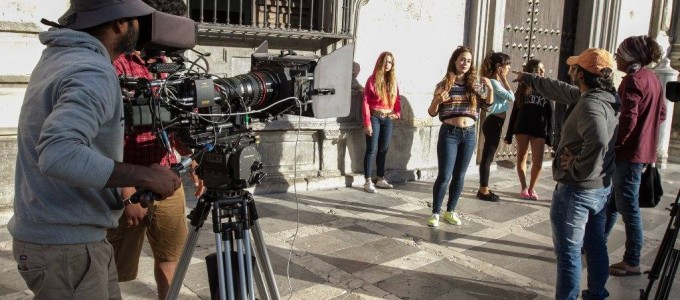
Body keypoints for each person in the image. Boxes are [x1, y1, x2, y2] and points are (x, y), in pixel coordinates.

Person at [8, 1, 183, 299]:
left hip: (64, 240)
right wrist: (145, 177)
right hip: (66, 247)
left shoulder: (60, 56)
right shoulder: (92, 69)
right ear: (120, 23)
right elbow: (60, 154)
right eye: (137, 20)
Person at [105, 1, 204, 299]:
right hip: (127, 182)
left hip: (168, 177)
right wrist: (126, 193)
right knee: (111, 268)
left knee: (171, 256)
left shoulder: (173, 66)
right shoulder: (116, 63)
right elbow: (104, 135)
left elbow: (178, 119)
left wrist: (196, 162)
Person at [513, 48, 619, 300]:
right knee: (595, 245)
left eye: (574, 68)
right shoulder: (603, 96)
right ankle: (596, 293)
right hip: (600, 188)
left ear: (582, 74)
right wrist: (531, 78)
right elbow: (560, 90)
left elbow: (599, 140)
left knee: (569, 254)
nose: (570, 70)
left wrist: (577, 168)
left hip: (577, 191)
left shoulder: (590, 105)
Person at [604, 35, 666, 277]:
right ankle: (595, 243)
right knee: (613, 202)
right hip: (641, 151)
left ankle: (632, 260)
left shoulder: (633, 80)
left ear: (630, 57)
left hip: (629, 154)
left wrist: (618, 143)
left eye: (619, 53)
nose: (616, 57)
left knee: (628, 206)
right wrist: (646, 134)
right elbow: (660, 114)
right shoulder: (652, 79)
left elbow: (628, 118)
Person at [427, 46, 494, 227]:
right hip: (449, 134)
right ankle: (435, 213)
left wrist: (490, 89)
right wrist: (437, 101)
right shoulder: (444, 85)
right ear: (455, 61)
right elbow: (432, 112)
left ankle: (451, 211)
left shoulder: (475, 85)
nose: (465, 63)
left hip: (469, 134)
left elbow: (487, 105)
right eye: (462, 59)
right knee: (445, 175)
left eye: (469, 61)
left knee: (460, 175)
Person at [504, 59, 553, 200]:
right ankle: (524, 187)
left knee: (538, 162)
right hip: (523, 126)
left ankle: (532, 188)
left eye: (543, 69)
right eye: (539, 69)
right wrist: (509, 134)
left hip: (539, 128)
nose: (543, 71)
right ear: (532, 71)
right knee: (521, 158)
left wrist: (550, 135)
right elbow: (515, 111)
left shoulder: (547, 87)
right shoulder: (523, 86)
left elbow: (551, 113)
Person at [476, 51, 514, 202]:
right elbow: (511, 97)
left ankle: (484, 187)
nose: (509, 68)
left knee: (488, 156)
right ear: (500, 67)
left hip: (495, 123)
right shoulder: (495, 83)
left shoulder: (494, 82)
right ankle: (483, 189)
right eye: (507, 65)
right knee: (487, 157)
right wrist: (505, 79)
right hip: (493, 123)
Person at [361, 51, 401, 193]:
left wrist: (397, 113)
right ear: (379, 62)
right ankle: (367, 181)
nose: (387, 65)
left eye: (390, 62)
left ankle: (380, 178)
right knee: (372, 149)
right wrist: (367, 123)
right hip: (374, 117)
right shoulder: (371, 80)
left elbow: (397, 99)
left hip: (388, 118)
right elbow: (365, 102)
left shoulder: (393, 81)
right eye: (384, 61)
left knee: (384, 149)